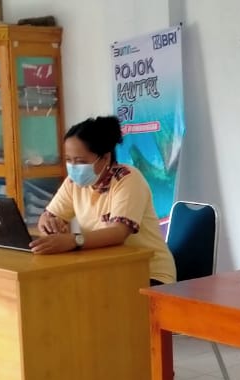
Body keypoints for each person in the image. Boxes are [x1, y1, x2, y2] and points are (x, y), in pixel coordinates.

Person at [34, 116, 176, 286]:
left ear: (105, 158)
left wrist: (72, 240)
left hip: (148, 273)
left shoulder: (128, 179)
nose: (73, 167)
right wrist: (50, 225)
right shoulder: (73, 183)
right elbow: (48, 216)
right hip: (105, 270)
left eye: (80, 161)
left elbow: (118, 233)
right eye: (68, 160)